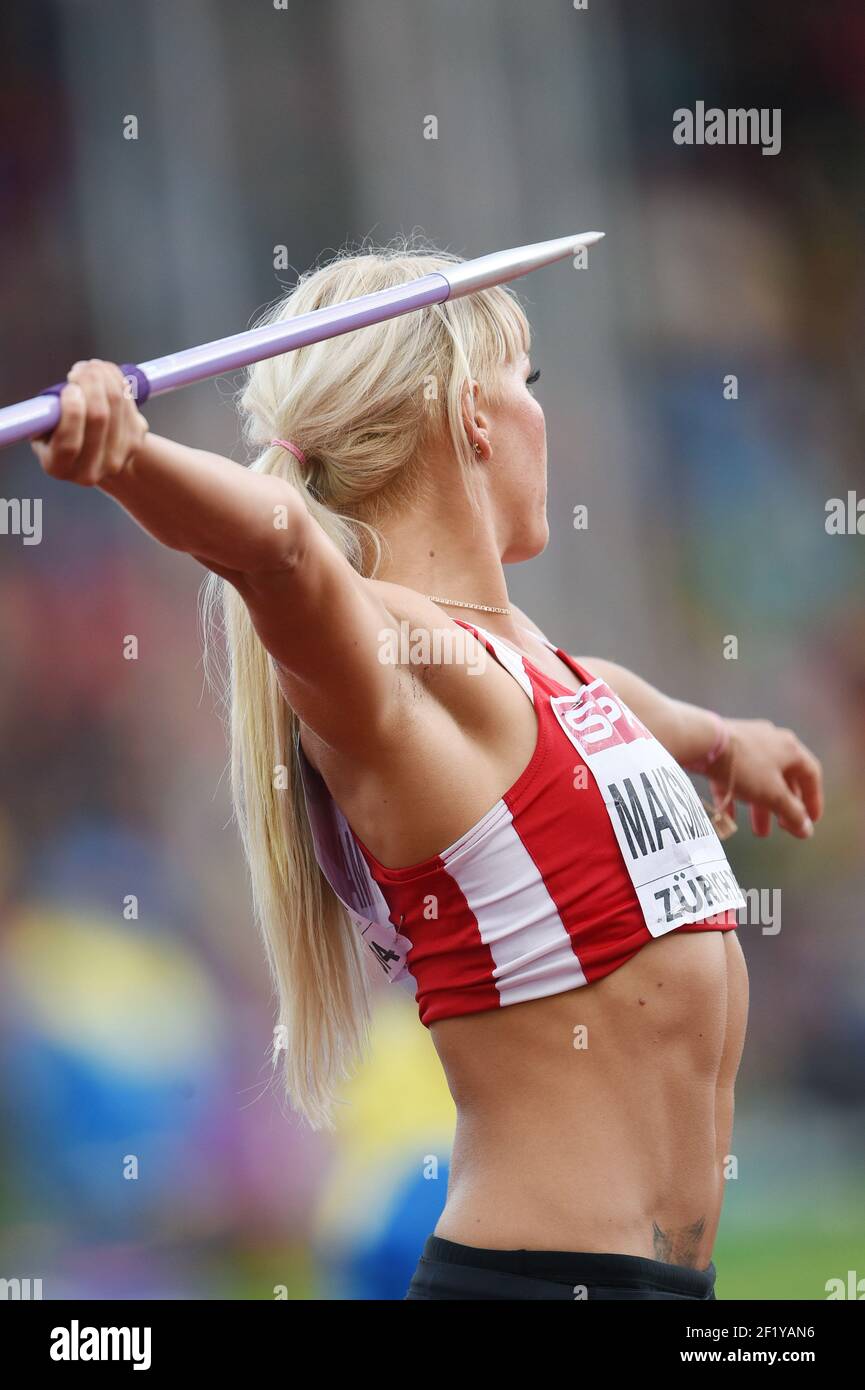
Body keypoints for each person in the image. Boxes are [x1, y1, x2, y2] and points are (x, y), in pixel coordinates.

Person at [32, 245, 823, 1300]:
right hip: (537, 1285)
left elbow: (599, 696)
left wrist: (717, 738)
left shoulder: (512, 664)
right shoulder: (390, 667)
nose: (548, 420)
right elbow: (278, 551)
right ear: (472, 415)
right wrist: (123, 455)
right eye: (526, 381)